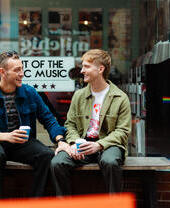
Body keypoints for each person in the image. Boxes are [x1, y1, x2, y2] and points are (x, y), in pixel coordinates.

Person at [51, 49, 131, 196]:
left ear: (100, 69)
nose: (82, 71)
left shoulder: (120, 97)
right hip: (83, 143)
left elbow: (123, 131)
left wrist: (99, 145)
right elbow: (70, 124)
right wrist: (74, 142)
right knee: (57, 163)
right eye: (82, 66)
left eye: (87, 66)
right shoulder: (79, 95)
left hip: (108, 144)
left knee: (110, 162)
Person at [0, 50, 66, 197]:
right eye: (17, 70)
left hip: (22, 144)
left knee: (46, 155)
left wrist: (60, 140)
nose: (22, 73)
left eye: (22, 69)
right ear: (3, 72)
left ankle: (35, 201)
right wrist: (5, 136)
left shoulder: (29, 92)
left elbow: (48, 119)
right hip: (1, 141)